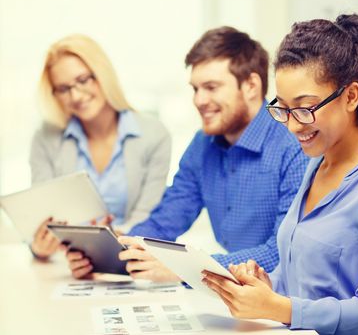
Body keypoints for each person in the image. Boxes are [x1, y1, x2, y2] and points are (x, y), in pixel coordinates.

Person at [202, 14, 358, 334]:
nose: (293, 125)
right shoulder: (316, 165)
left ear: (351, 96)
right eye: (283, 108)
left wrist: (279, 307)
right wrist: (268, 285)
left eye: (306, 107)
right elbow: (302, 275)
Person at [67, 26, 309, 280]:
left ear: (250, 85)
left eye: (211, 87)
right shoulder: (203, 144)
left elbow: (283, 253)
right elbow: (167, 219)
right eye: (195, 89)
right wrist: (109, 252)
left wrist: (185, 268)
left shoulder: (294, 146)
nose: (199, 100)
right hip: (242, 296)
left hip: (287, 295)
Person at [29, 34, 171, 259]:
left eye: (83, 80)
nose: (76, 95)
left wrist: (105, 248)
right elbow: (40, 215)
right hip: (68, 264)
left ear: (102, 74)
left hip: (131, 257)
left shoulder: (154, 134)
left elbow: (147, 217)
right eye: (63, 89)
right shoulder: (46, 137)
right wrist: (38, 248)